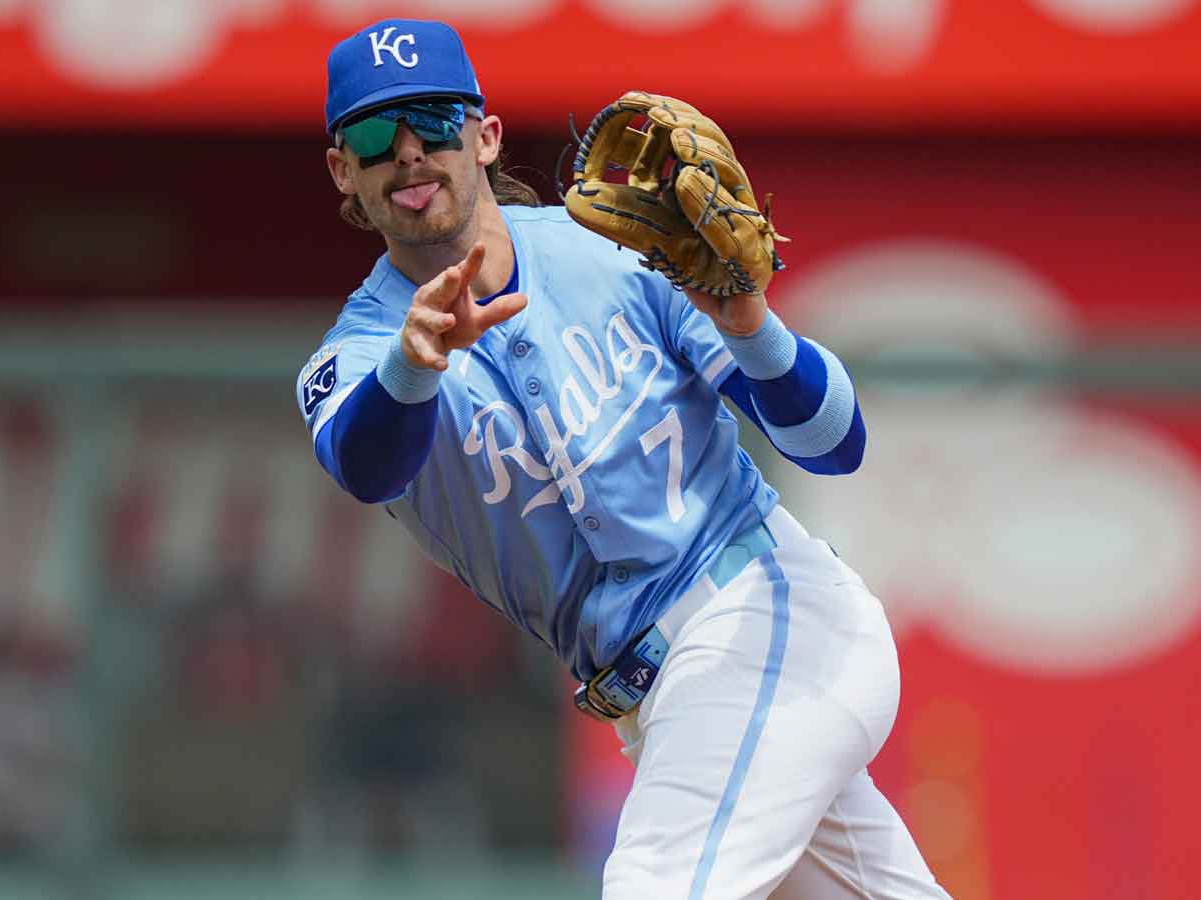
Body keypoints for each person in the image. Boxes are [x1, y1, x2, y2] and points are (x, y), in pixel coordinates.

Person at [296, 17, 953, 900]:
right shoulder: (361, 354)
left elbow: (835, 444)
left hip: (764, 617)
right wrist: (414, 363)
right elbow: (368, 464)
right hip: (663, 705)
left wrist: (750, 321)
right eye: (377, 136)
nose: (409, 153)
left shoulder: (615, 250)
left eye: (435, 122)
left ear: (484, 136)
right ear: (344, 170)